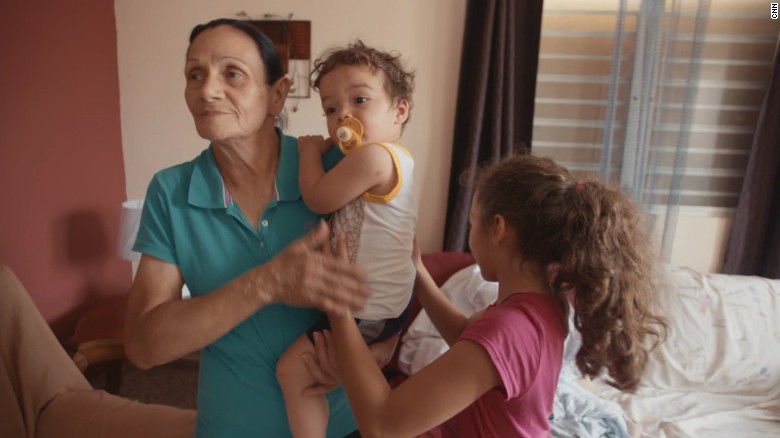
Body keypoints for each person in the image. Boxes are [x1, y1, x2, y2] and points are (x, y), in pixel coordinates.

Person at [123, 19, 397, 438]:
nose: (206, 90)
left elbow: (402, 267)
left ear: (277, 95)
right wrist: (266, 284)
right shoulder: (171, 191)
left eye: (232, 74)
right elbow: (143, 347)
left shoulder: (333, 170)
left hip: (343, 426)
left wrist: (379, 350)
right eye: (195, 74)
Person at [320, 154, 670, 437]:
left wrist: (339, 312)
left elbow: (382, 425)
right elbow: (466, 339)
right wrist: (418, 272)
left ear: (498, 228)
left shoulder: (511, 328)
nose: (470, 237)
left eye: (472, 225)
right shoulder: (540, 304)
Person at [276, 41, 417, 438]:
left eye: (360, 100)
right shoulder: (389, 160)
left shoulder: (375, 158)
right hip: (378, 302)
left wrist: (307, 152)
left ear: (399, 110)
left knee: (292, 371)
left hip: (368, 305)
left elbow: (319, 198)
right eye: (331, 108)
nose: (344, 117)